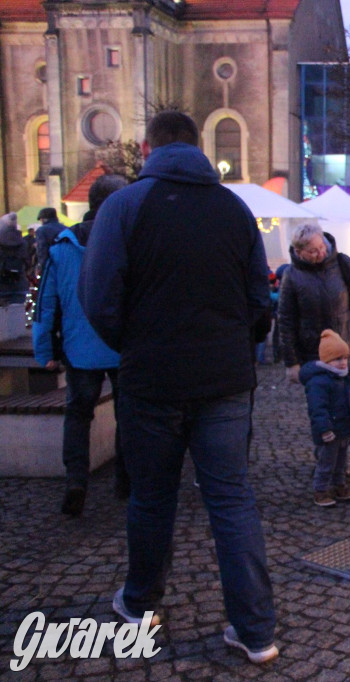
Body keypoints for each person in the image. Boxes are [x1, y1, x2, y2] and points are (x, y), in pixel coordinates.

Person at [80, 111, 278, 663]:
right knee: (232, 500)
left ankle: (142, 602)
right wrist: (236, 345)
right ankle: (256, 630)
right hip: (225, 380)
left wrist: (135, 343)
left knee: (152, 496)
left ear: (149, 148)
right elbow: (259, 302)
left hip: (152, 377)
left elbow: (97, 298)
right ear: (197, 147)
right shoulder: (235, 210)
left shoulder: (124, 206)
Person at [33, 173, 130, 515]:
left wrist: (44, 351)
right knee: (128, 415)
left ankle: (76, 480)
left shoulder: (62, 246)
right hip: (121, 345)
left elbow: (46, 303)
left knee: (77, 415)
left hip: (79, 348)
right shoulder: (127, 241)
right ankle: (124, 480)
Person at [277, 222, 350, 387]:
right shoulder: (291, 276)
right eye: (313, 251)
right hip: (313, 354)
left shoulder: (343, 264)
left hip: (344, 349)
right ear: (299, 252)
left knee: (342, 400)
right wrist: (291, 362)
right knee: (322, 402)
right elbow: (285, 320)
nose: (321, 252)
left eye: (321, 246)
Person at [300, 330, 350, 507]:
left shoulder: (339, 377)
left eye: (345, 358)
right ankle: (320, 490)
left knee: (341, 461)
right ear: (326, 360)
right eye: (337, 359)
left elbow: (347, 401)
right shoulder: (318, 382)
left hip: (343, 428)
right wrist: (324, 429)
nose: (343, 363)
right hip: (329, 431)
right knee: (326, 462)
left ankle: (339, 486)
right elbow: (317, 410)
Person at [0, 213, 30, 305]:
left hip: (2, 285)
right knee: (17, 315)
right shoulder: (23, 242)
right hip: (19, 284)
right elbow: (27, 263)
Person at [34, 207, 63, 275]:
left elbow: (42, 250)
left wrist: (41, 266)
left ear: (44, 219)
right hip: (65, 263)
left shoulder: (42, 230)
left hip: (51, 264)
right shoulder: (65, 228)